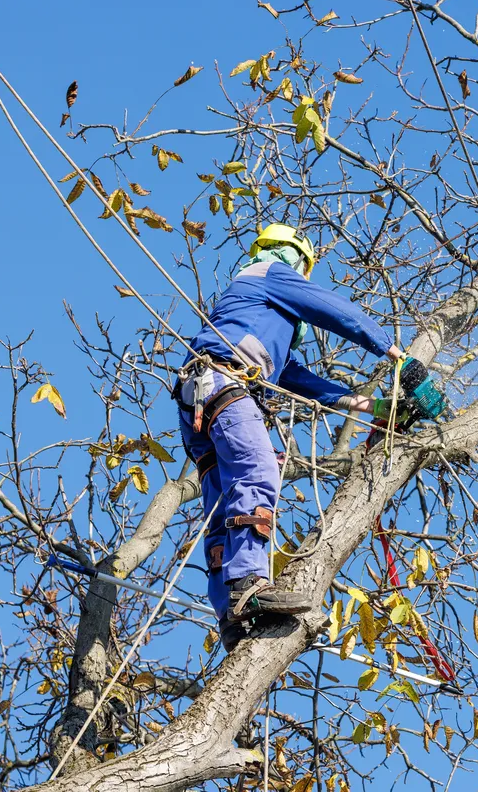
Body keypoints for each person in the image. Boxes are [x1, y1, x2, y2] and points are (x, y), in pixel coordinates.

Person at [174, 223, 427, 648]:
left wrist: (376, 408)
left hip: (198, 399)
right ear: (294, 258)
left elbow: (298, 380)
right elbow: (330, 307)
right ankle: (248, 584)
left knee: (221, 504)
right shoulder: (271, 272)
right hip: (223, 384)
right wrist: (396, 353)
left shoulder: (259, 320)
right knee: (258, 473)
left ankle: (231, 615)